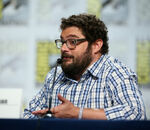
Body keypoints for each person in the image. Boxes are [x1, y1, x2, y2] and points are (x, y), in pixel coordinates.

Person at [23, 13, 146, 120]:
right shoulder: (54, 76)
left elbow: (136, 113)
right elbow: (28, 115)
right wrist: (47, 119)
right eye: (63, 42)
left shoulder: (115, 72)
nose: (64, 48)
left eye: (73, 42)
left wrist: (78, 113)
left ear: (96, 45)